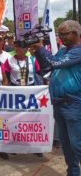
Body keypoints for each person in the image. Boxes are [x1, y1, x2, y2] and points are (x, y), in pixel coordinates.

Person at [32, 20, 81, 175]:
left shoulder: (78, 51)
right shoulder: (63, 50)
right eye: (59, 34)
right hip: (59, 104)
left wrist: (41, 47)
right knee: (66, 144)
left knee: (77, 144)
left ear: (76, 33)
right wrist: (38, 52)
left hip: (73, 104)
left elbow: (56, 63)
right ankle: (72, 172)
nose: (61, 37)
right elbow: (47, 66)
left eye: (64, 34)